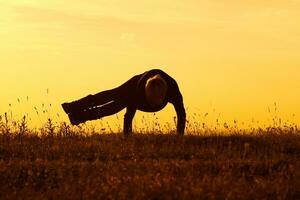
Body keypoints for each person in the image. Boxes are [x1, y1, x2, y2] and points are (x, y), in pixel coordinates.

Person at [62, 69, 186, 135]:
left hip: (146, 89)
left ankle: (77, 116)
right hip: (133, 85)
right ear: (145, 94)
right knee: (112, 101)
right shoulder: (137, 91)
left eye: (155, 102)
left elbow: (181, 114)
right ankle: (73, 107)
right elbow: (129, 116)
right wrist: (127, 136)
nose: (152, 104)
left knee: (113, 107)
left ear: (164, 96)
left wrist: (179, 137)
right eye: (150, 100)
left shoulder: (173, 90)